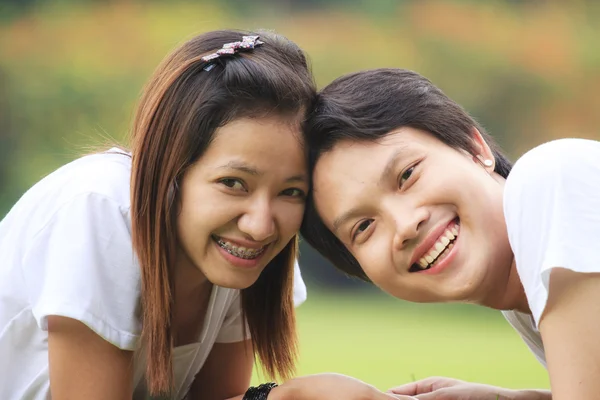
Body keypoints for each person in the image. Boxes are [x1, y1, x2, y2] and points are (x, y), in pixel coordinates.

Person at [0, 30, 411, 400]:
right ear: (172, 167)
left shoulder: (238, 255)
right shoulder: (100, 209)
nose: (260, 224)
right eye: (233, 183)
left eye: (291, 191)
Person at [301, 67, 600, 399]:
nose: (404, 225)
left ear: (475, 149)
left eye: (407, 175)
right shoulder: (524, 300)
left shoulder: (552, 181)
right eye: (364, 227)